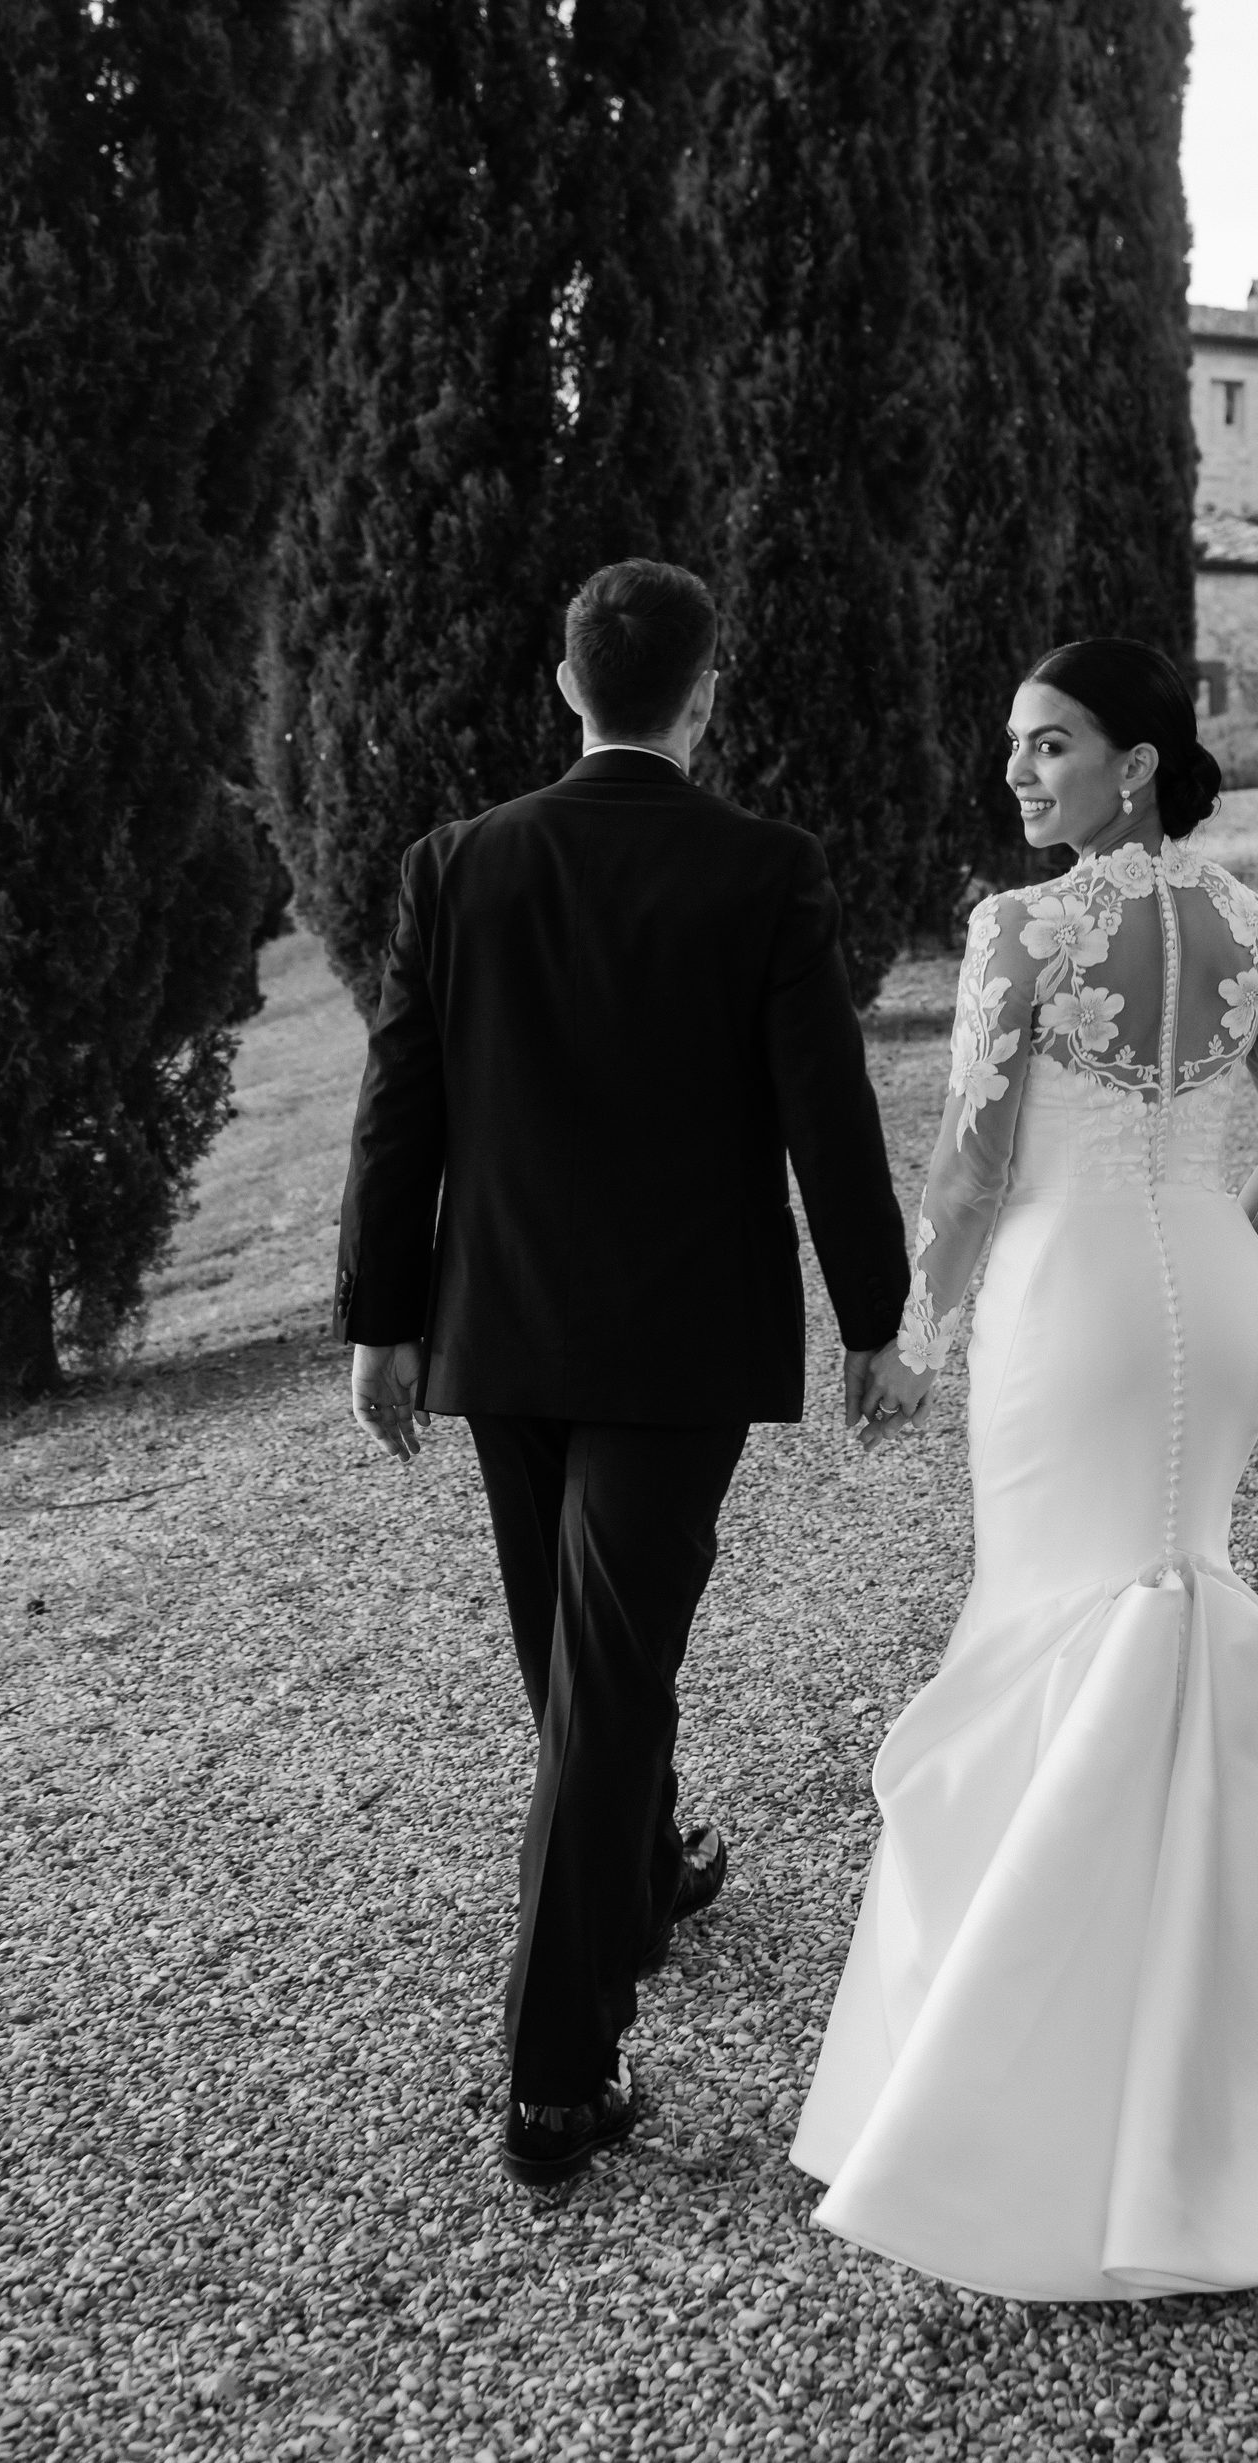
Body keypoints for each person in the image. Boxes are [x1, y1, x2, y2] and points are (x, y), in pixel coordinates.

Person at [791, 636, 1258, 2299]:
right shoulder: (1254, 920)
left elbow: (966, 1178)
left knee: (1052, 1607)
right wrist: (1223, 1232)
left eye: (1052, 747)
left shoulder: (1020, 930)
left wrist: (912, 1344)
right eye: (1016, 750)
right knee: (1177, 1584)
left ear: (1139, 763)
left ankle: (1034, 2033)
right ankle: (1220, 2007)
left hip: (1068, 1302)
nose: (1021, 776)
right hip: (1211, 1291)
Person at [334, 559, 909, 2189]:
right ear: (705, 693)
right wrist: (876, 1316)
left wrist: (381, 1323)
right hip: (676, 1343)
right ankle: (557, 2072)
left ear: (564, 683)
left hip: (497, 1330)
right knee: (598, 1667)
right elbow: (827, 1118)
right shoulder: (765, 871)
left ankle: (644, 1871)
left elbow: (399, 1114)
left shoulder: (458, 865)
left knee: (580, 1654)